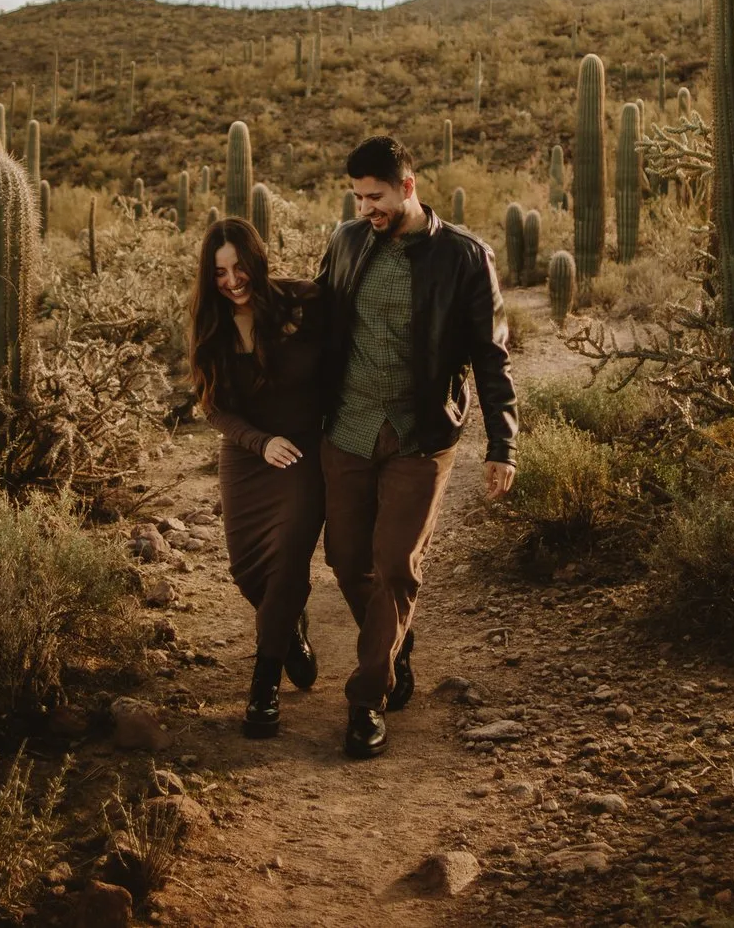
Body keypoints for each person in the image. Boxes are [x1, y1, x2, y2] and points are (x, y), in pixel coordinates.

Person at [312, 136, 517, 759]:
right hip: (346, 428)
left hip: (420, 435)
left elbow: (492, 355)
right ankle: (395, 640)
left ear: (408, 186)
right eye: (357, 197)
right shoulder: (348, 242)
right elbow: (319, 315)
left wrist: (502, 442)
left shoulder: (464, 257)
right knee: (348, 561)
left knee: (397, 564)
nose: (365, 208)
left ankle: (367, 699)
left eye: (375, 196)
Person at [186, 216, 325, 739]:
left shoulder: (301, 302)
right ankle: (289, 633)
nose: (232, 281)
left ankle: (263, 687)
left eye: (239, 267)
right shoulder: (210, 322)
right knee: (248, 573)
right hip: (248, 456)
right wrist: (257, 442)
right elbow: (214, 408)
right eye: (219, 272)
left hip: (301, 455)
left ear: (256, 261)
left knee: (287, 560)